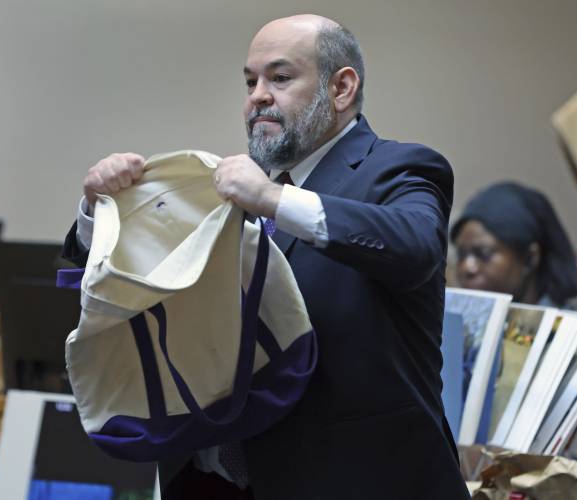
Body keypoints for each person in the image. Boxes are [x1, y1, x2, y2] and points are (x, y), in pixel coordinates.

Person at [62, 14, 469, 500]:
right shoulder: (233, 187)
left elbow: (415, 246)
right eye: (250, 81)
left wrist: (274, 201)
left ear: (340, 88)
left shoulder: (397, 168)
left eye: (279, 78)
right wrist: (99, 208)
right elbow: (127, 290)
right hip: (210, 479)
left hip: (355, 480)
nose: (257, 95)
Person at [450, 182, 577, 308]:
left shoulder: (572, 329)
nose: (466, 267)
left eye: (484, 254)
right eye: (461, 255)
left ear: (529, 258)